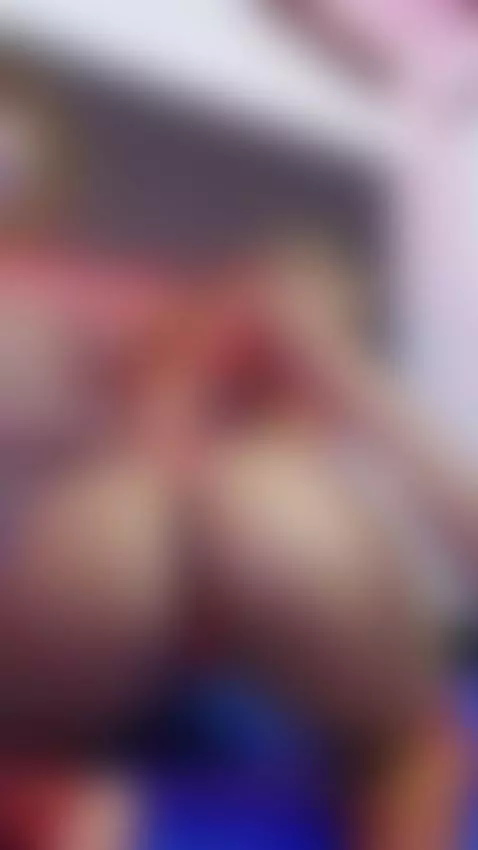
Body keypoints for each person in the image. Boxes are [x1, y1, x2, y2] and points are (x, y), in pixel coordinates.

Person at [0, 240, 474, 849]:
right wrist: (156, 403)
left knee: (259, 515)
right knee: (127, 528)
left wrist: (341, 376)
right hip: (78, 687)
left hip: (316, 681)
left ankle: (400, 753)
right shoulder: (75, 365)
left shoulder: (296, 475)